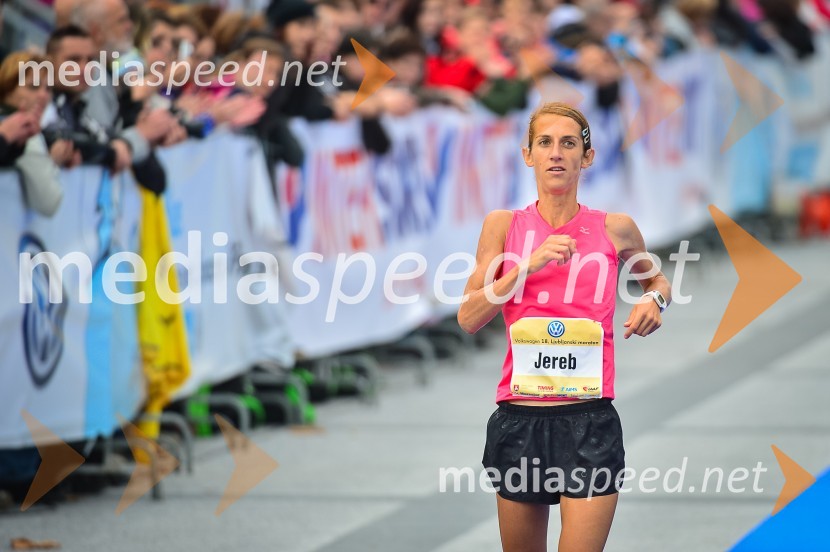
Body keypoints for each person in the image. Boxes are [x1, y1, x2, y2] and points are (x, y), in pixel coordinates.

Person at [457, 102, 672, 552]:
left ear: (586, 158)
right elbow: (469, 317)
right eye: (545, 142)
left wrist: (654, 299)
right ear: (528, 154)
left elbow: (657, 280)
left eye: (569, 143)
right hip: (520, 420)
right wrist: (526, 266)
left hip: (589, 419)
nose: (557, 153)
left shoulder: (614, 229)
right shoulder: (503, 226)